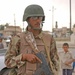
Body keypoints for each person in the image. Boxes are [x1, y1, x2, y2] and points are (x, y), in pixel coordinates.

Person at [4, 4, 59, 75]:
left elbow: (56, 63)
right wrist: (23, 57)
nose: (38, 20)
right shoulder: (18, 39)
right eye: (34, 17)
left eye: (40, 17)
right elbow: (8, 62)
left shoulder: (49, 39)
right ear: (27, 19)